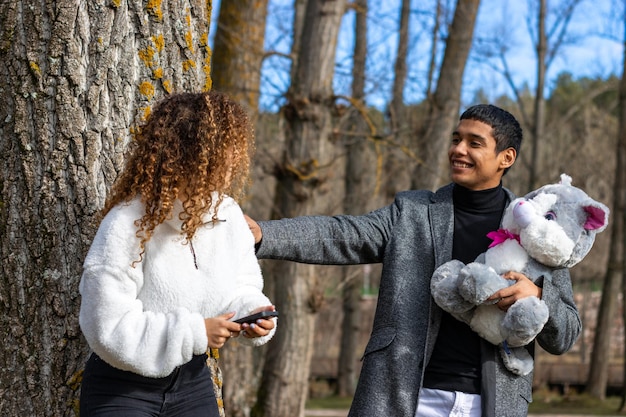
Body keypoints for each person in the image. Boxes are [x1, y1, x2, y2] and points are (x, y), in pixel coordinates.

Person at [246, 104, 581, 417]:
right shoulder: (412, 213)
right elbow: (342, 233)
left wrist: (537, 297)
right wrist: (263, 234)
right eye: (456, 139)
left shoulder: (538, 229)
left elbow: (566, 334)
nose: (458, 150)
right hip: (408, 397)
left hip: (492, 403)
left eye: (474, 142)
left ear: (505, 157)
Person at [79, 91, 277, 417]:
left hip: (193, 384)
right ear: (188, 153)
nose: (233, 159)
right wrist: (196, 333)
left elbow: (241, 286)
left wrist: (253, 313)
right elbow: (106, 325)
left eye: (234, 147)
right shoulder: (127, 223)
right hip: (121, 389)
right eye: (222, 148)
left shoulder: (227, 215)